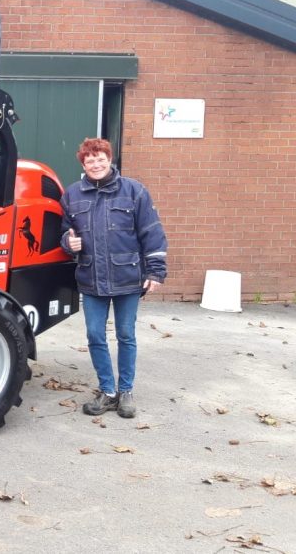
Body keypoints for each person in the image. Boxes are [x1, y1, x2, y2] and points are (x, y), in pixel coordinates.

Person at [60, 138, 167, 418]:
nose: (96, 164)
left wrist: (155, 271)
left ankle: (126, 391)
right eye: (90, 160)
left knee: (125, 335)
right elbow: (64, 232)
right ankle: (107, 391)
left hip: (127, 277)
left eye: (100, 158)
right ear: (83, 164)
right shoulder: (72, 195)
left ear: (110, 159)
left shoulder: (134, 191)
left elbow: (151, 232)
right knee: (95, 335)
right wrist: (66, 242)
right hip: (91, 276)